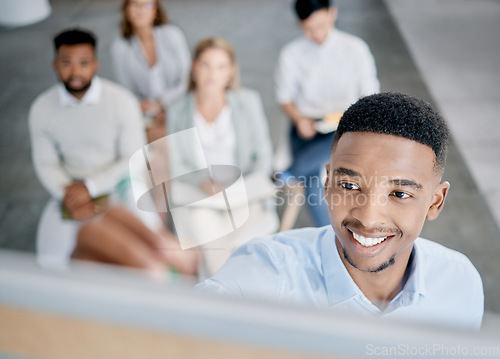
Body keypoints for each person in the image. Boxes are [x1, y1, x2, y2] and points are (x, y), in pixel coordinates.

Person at [73, 93, 483, 331]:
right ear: (325, 182)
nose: (368, 216)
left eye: (399, 193)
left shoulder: (461, 283)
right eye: (349, 185)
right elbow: (198, 329)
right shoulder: (269, 270)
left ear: (436, 201)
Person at [29, 28, 147, 267]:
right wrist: (70, 196)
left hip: (120, 186)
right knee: (50, 261)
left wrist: (90, 187)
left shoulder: (122, 101)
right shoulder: (41, 108)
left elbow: (134, 158)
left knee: (140, 253)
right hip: (68, 192)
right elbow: (45, 163)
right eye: (67, 63)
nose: (75, 72)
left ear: (95, 64)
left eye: (84, 63)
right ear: (55, 64)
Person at [166, 37, 278, 278]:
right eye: (205, 65)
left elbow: (263, 157)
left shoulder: (247, 102)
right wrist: (202, 182)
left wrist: (234, 186)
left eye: (220, 66)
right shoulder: (177, 110)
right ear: (194, 68)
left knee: (207, 233)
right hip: (200, 195)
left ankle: (217, 288)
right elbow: (176, 163)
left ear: (231, 72)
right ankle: (230, 291)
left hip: (243, 196)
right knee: (201, 218)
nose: (212, 74)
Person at [275, 0, 379, 227]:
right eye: (309, 29)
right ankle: (334, 235)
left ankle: (291, 172)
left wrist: (353, 119)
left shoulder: (355, 48)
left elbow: (370, 95)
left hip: (347, 126)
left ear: (333, 13)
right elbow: (285, 99)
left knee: (316, 173)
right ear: (299, 24)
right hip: (308, 127)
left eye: (321, 25)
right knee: (315, 177)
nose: (317, 34)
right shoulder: (291, 54)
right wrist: (299, 119)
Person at [111, 0, 191, 142]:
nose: (141, 10)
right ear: (126, 10)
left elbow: (187, 79)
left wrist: (162, 104)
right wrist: (147, 108)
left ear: (155, 10)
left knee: (170, 135)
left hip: (178, 104)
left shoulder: (172, 35)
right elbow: (126, 91)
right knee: (152, 137)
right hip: (145, 114)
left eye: (147, 4)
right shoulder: (120, 47)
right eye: (135, 4)